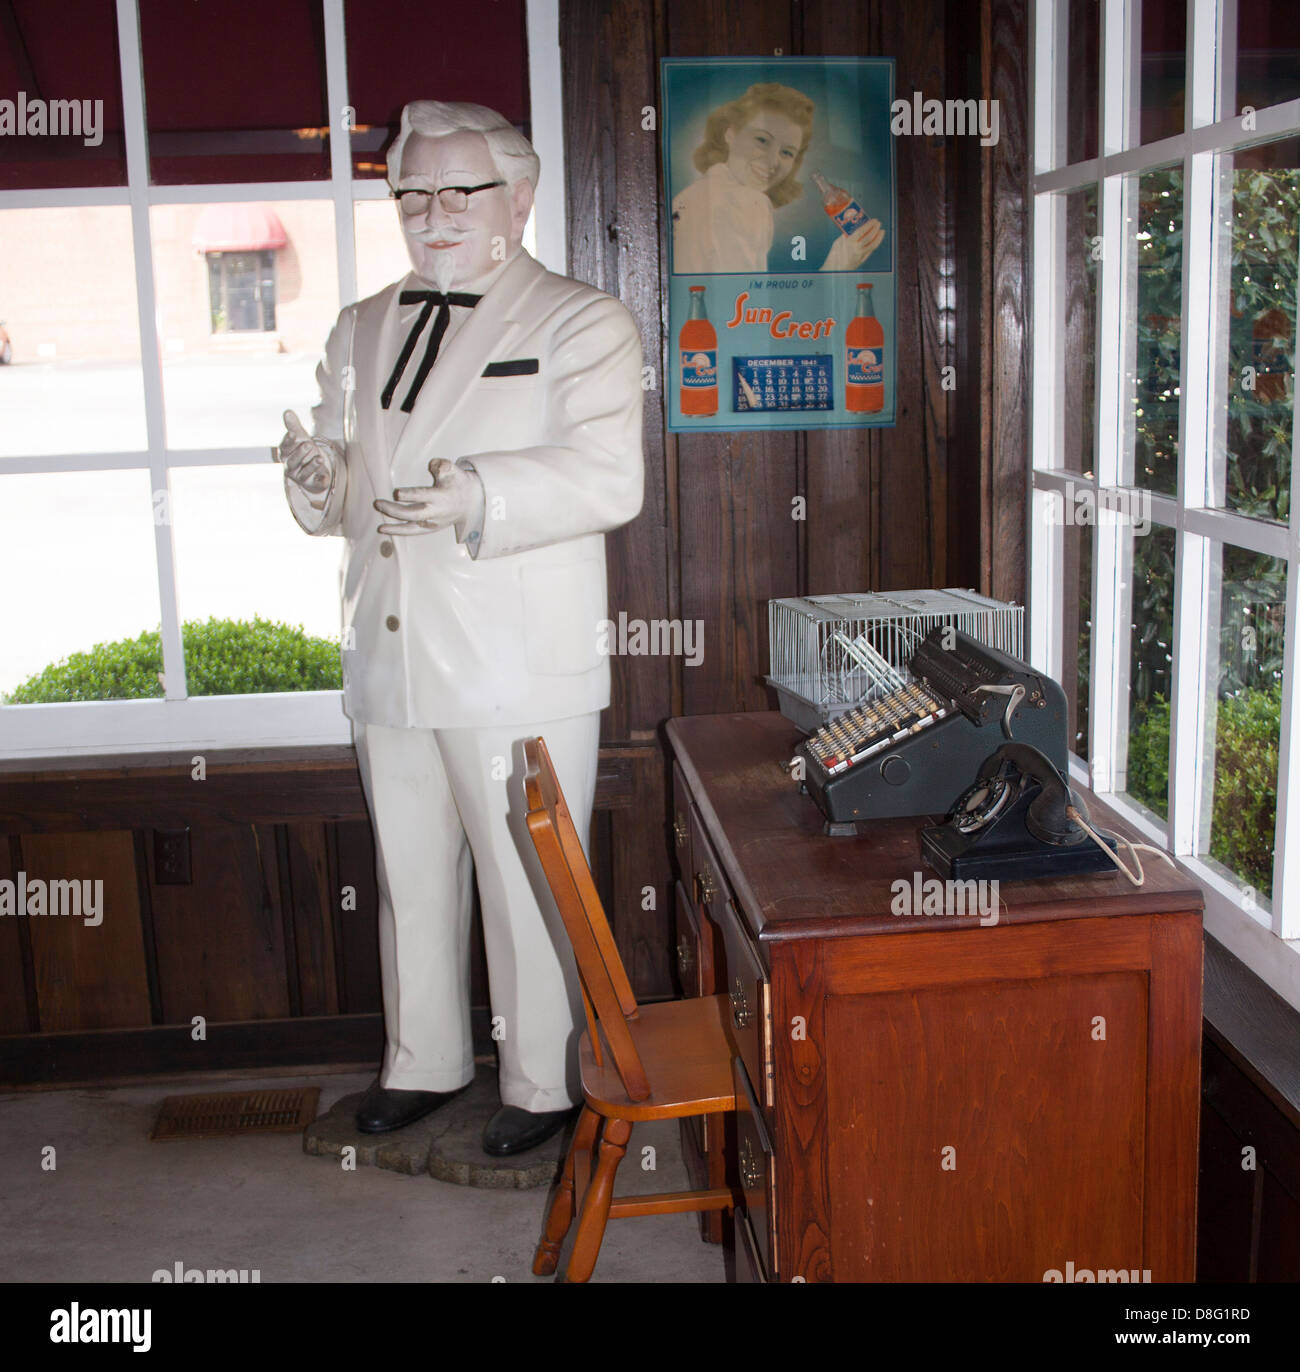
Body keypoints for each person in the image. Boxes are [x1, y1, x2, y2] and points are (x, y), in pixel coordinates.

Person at [278, 100, 644, 1156]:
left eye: (458, 191)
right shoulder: (360, 324)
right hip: (389, 647)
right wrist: (323, 478)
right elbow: (355, 485)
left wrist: (479, 491)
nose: (433, 213)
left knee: (527, 881)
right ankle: (423, 1060)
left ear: (518, 199)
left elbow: (607, 476)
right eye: (414, 193)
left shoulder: (582, 322)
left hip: (514, 662)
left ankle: (543, 1079)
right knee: (410, 871)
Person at [671, 82, 885, 274]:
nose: (772, 161)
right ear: (731, 134)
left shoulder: (692, 195)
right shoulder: (745, 202)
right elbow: (747, 310)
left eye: (787, 152)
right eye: (762, 140)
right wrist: (839, 264)